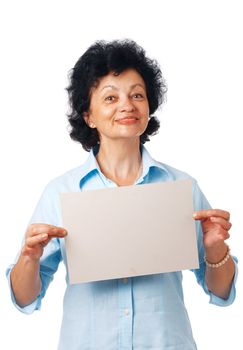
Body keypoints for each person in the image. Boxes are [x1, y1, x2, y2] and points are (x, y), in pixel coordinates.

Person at [7, 39, 237, 350]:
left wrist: (214, 248)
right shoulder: (62, 192)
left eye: (137, 95)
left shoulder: (181, 187)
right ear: (89, 115)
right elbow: (24, 298)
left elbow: (221, 292)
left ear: (148, 107)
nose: (127, 105)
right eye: (111, 97)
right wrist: (29, 259)